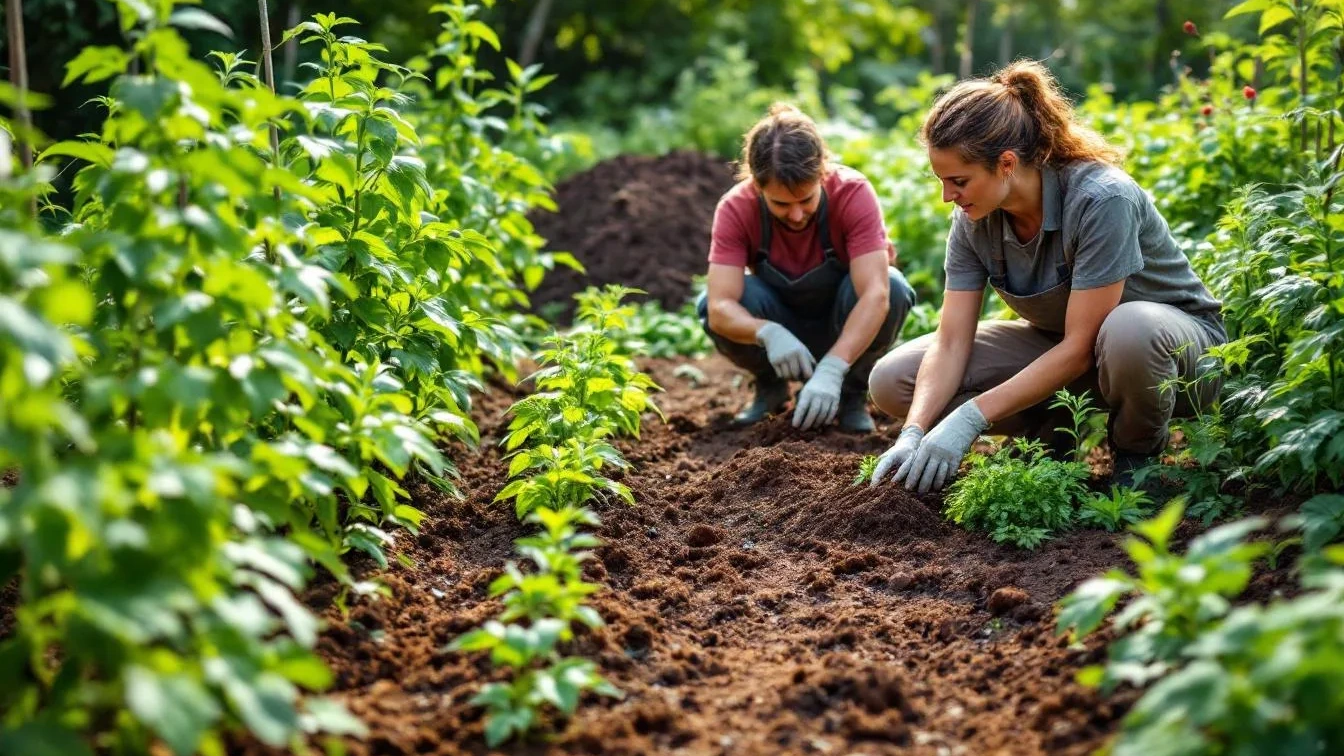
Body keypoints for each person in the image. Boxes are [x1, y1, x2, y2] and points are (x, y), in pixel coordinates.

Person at [868, 60, 1226, 493]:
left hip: (1172, 358)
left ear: (1005, 163)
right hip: (1070, 350)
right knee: (893, 380)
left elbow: (1080, 346)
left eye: (958, 180)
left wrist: (970, 417)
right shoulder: (974, 218)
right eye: (942, 180)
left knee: (1130, 329)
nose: (947, 196)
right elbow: (950, 341)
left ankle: (1138, 455)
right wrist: (915, 431)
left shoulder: (1101, 199)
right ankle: (1050, 433)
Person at [697, 104, 916, 433]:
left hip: (843, 325)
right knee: (713, 302)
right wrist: (768, 333)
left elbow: (876, 295)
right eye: (781, 204)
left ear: (823, 172)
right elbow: (719, 307)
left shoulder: (852, 193)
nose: (797, 215)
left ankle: (850, 394)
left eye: (806, 200)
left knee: (894, 287)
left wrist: (833, 367)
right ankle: (771, 386)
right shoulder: (736, 207)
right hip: (781, 329)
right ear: (757, 185)